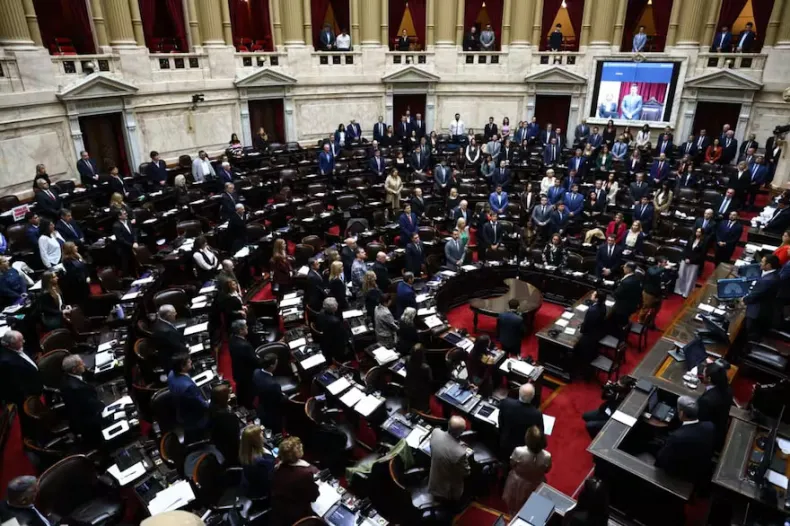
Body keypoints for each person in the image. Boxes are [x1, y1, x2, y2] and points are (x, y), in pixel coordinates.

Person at [655, 396, 715, 484]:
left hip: (681, 474)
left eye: (678, 410)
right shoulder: (710, 426)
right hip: (699, 468)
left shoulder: (677, 437)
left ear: (682, 413)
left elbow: (661, 459)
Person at [502, 425, 552, 515]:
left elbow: (512, 464)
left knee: (514, 504)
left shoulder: (519, 451)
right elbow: (547, 470)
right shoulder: (547, 456)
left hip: (518, 482)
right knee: (532, 507)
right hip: (536, 483)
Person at [271, 437, 319, 525]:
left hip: (278, 509)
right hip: (295, 515)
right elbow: (314, 496)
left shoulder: (278, 466)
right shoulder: (305, 473)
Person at [60, 355, 104, 447]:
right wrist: (104, 404)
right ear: (74, 370)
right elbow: (91, 406)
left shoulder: (68, 378)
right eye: (81, 364)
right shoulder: (77, 388)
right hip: (89, 424)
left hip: (80, 417)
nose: (84, 364)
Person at [168, 354, 210, 442]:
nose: (191, 361)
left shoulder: (171, 373)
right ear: (182, 367)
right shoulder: (188, 387)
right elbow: (201, 405)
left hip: (180, 411)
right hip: (195, 420)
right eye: (188, 362)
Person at [428, 416, 471, 502]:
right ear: (461, 432)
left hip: (433, 482)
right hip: (447, 492)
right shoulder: (460, 453)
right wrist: (459, 447)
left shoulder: (436, 432)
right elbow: (466, 472)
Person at [498, 383, 543, 461]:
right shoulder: (537, 414)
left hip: (506, 443)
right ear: (533, 397)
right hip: (524, 450)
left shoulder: (506, 403)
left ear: (519, 392)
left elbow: (500, 422)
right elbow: (539, 433)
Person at [697, 361, 733, 451]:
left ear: (709, 379)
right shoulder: (728, 389)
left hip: (709, 436)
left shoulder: (706, 401)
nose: (702, 374)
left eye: (704, 373)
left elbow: (701, 420)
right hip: (721, 426)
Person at [743, 255, 781, 340]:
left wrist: (743, 299)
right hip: (766, 307)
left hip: (757, 313)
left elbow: (752, 297)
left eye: (763, 262)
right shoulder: (774, 274)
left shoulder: (767, 280)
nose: (760, 263)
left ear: (768, 265)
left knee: (747, 333)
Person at [238, 424, 276, 499]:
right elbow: (272, 479)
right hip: (265, 493)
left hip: (251, 487)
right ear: (256, 440)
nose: (263, 436)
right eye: (261, 434)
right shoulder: (263, 462)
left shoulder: (244, 453)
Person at [228, 320, 257, 408]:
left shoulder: (232, 339)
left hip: (237, 371)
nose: (247, 328)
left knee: (241, 391)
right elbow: (254, 361)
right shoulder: (245, 346)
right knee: (248, 393)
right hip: (247, 374)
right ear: (240, 331)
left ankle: (241, 404)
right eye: (245, 327)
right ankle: (249, 408)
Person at [209, 385, 240, 465]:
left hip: (217, 441)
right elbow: (235, 436)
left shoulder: (211, 407)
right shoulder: (229, 417)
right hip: (230, 447)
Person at [253, 353, 283, 432]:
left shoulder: (256, 372)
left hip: (261, 406)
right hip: (272, 412)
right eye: (276, 363)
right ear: (271, 366)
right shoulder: (273, 385)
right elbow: (280, 400)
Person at [577, 290, 609, 364]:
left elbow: (587, 324)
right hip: (597, 331)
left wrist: (580, 329)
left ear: (597, 299)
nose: (591, 295)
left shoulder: (593, 310)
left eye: (593, 294)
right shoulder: (603, 305)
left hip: (589, 336)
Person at [674, 227, 706, 298]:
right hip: (685, 259)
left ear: (702, 233)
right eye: (697, 231)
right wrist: (685, 258)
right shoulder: (691, 238)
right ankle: (679, 290)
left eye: (699, 232)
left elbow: (701, 255)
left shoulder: (703, 242)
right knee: (681, 275)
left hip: (694, 262)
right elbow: (686, 249)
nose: (697, 233)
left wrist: (691, 260)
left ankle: (686, 293)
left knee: (690, 278)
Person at [316, 297, 349, 362]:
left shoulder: (321, 313)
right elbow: (343, 337)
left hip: (325, 341)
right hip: (334, 347)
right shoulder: (335, 322)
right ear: (335, 308)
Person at [611, 262, 642, 330]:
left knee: (617, 322)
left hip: (623, 307)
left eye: (624, 267)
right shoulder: (636, 277)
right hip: (631, 304)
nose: (623, 268)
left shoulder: (626, 282)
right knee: (624, 320)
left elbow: (617, 293)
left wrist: (613, 292)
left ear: (629, 269)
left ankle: (620, 333)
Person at [405, 344, 433, 411]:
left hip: (409, 385)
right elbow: (430, 380)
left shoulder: (407, 359)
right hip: (421, 390)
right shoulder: (426, 367)